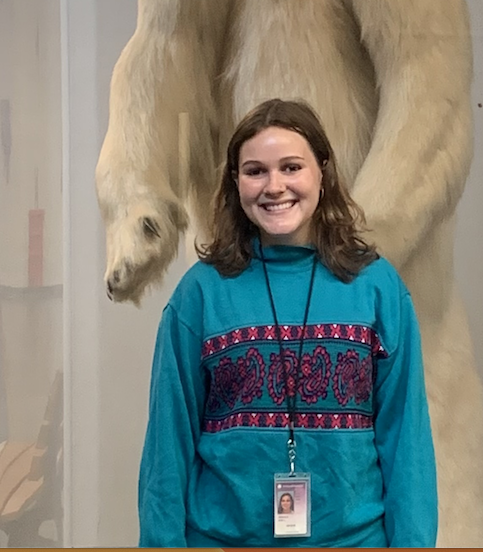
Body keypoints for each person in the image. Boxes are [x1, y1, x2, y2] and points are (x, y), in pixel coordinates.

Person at [137, 98, 437, 548]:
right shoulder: (200, 295)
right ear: (236, 183)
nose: (274, 186)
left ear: (322, 171)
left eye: (291, 167)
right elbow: (167, 447)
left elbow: (406, 440)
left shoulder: (376, 287)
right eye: (256, 171)